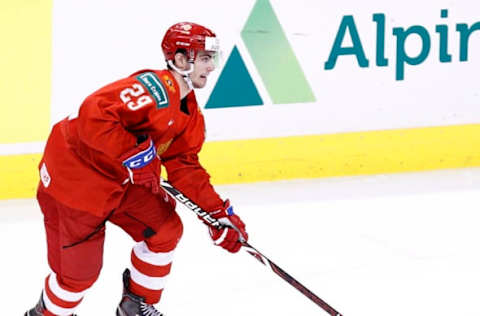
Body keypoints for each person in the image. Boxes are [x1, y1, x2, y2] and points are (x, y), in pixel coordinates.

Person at [25, 22, 248, 316]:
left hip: (117, 181)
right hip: (75, 183)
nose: (211, 67)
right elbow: (94, 113)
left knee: (165, 229)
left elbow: (185, 167)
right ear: (181, 60)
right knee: (78, 278)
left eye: (212, 59)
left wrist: (217, 214)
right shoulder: (153, 88)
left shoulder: (189, 112)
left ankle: (135, 306)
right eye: (205, 58)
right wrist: (137, 152)